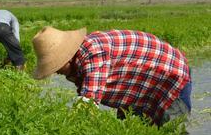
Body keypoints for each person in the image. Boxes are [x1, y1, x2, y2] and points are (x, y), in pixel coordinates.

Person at [32, 26, 192, 126]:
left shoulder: (93, 53)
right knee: (134, 134)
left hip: (170, 77)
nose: (56, 72)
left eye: (57, 66)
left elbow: (87, 104)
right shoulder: (80, 61)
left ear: (67, 57)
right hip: (141, 88)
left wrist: (65, 131)